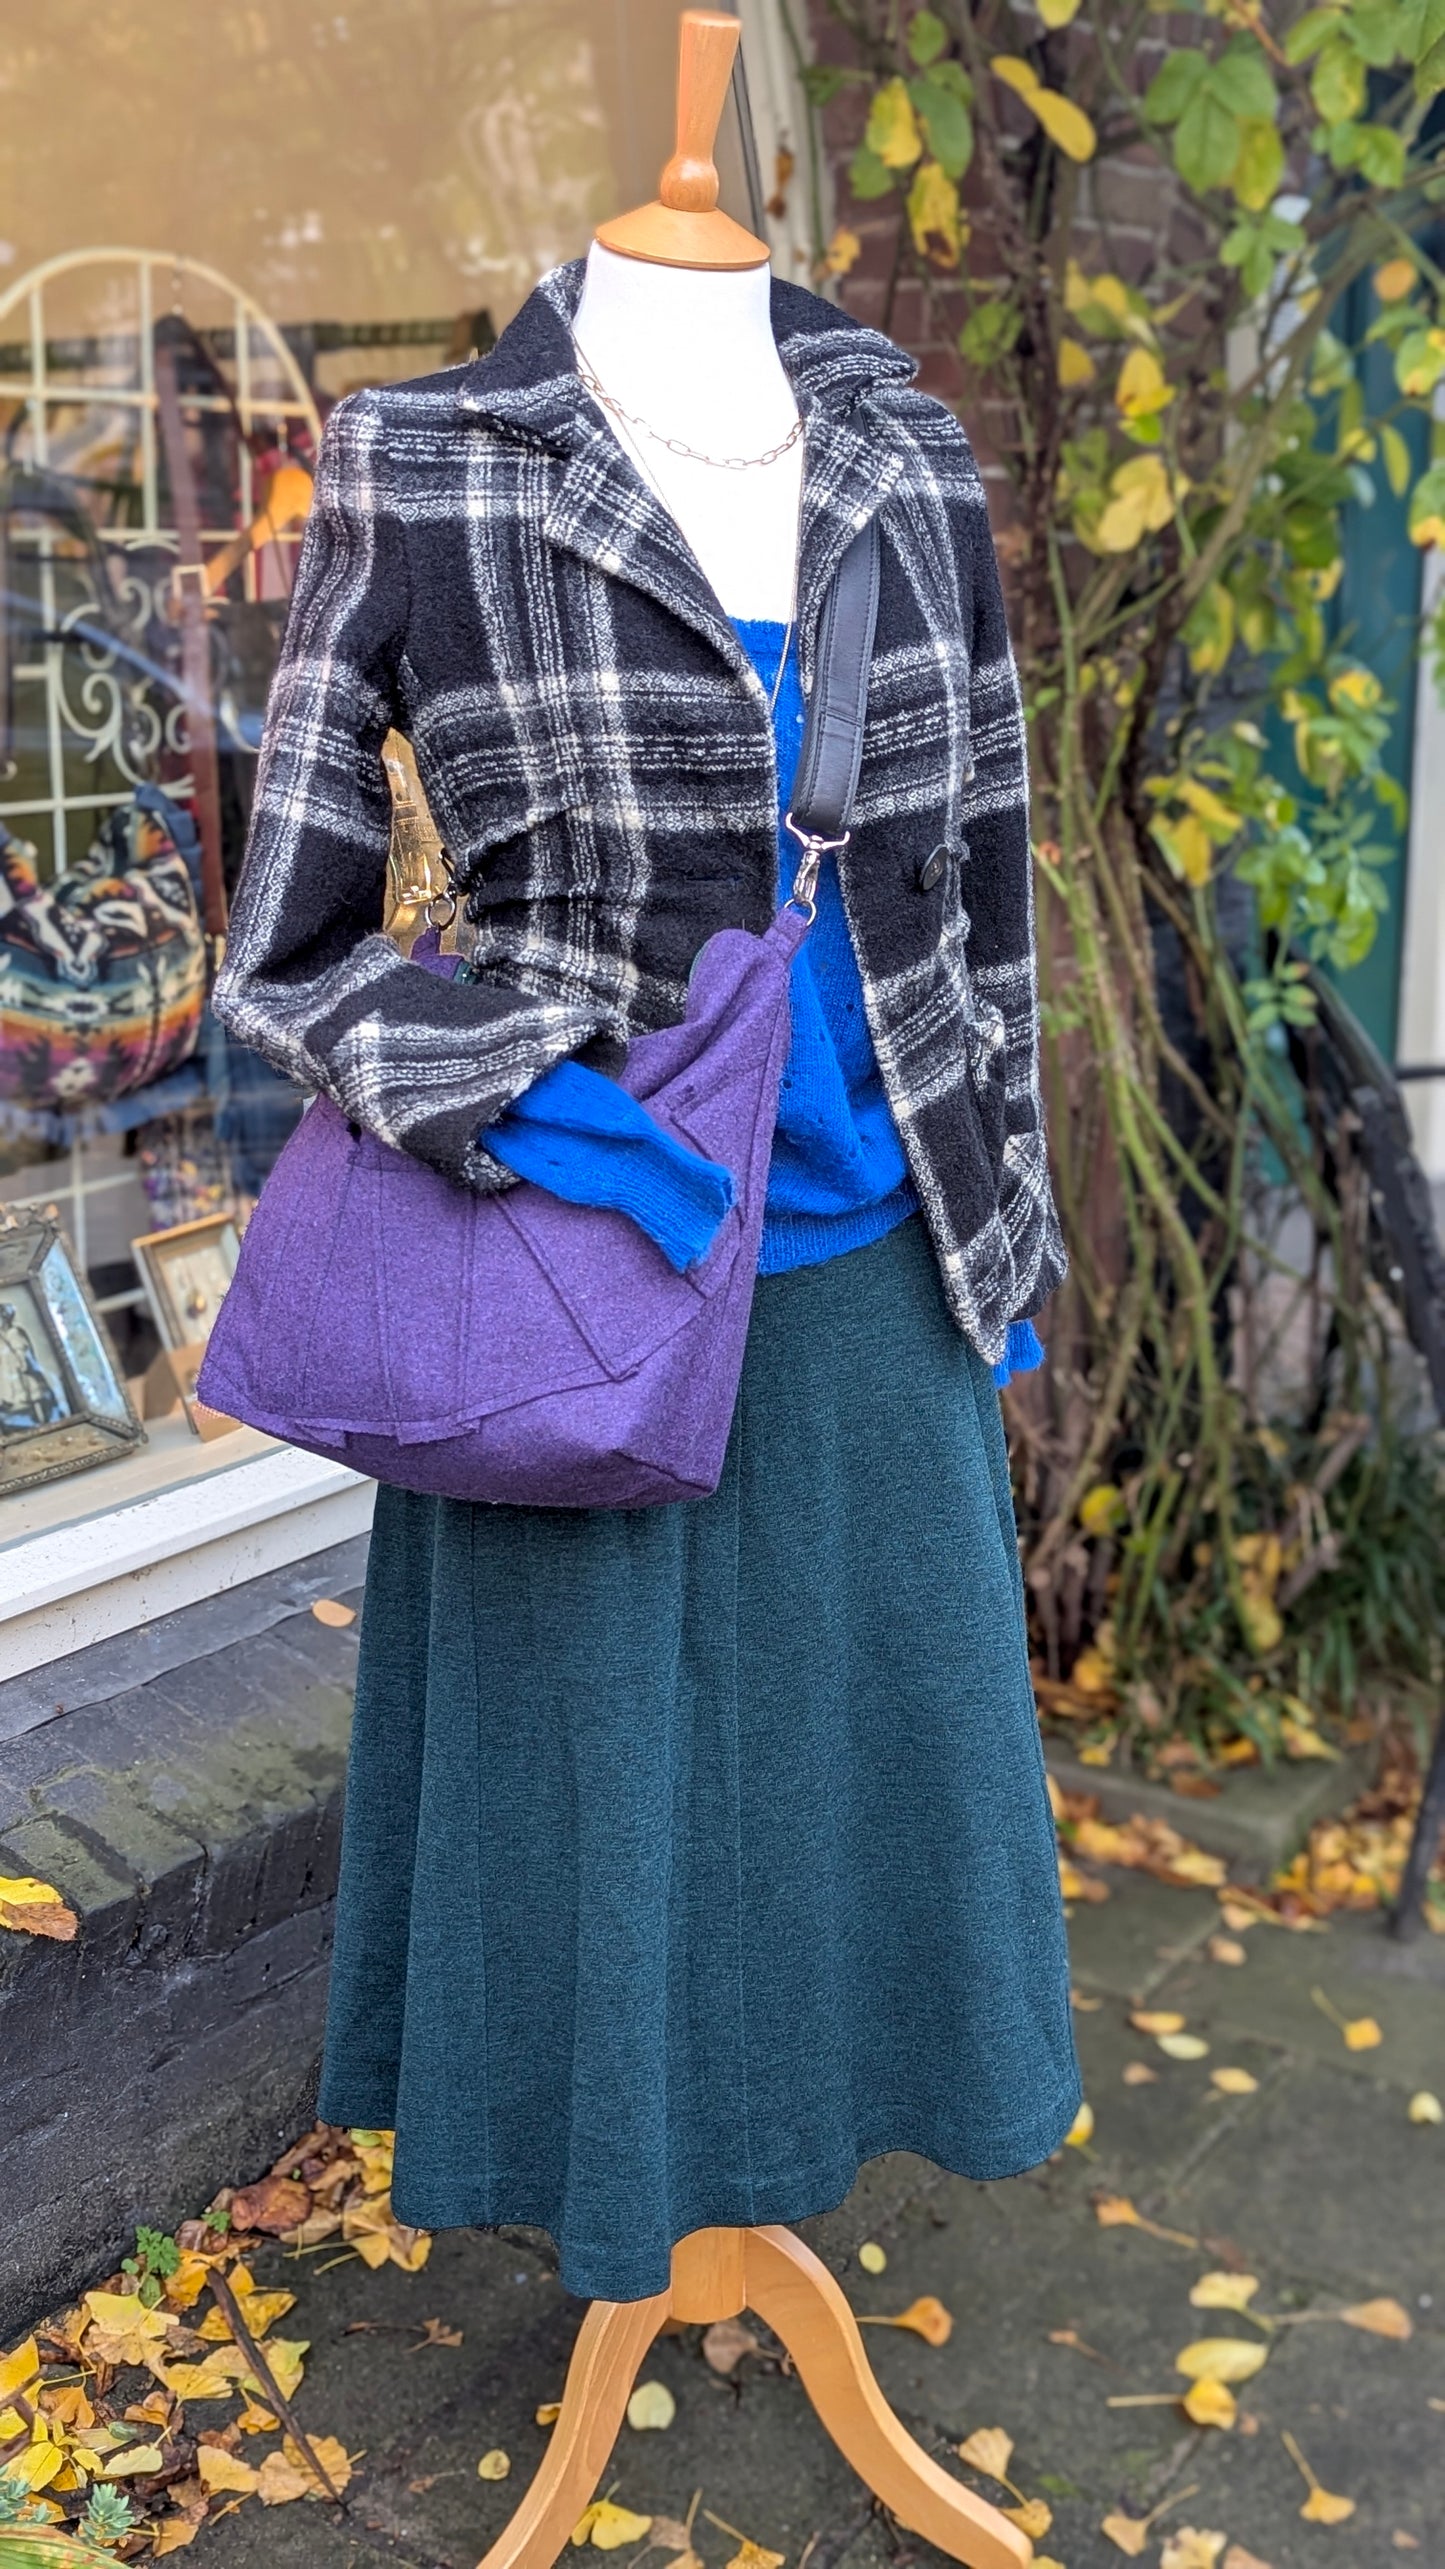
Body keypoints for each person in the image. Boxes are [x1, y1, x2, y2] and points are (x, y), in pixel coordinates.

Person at [211, 250, 1080, 2306]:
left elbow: (988, 902)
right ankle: (628, 2243)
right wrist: (555, 1122)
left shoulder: (906, 454)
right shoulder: (426, 461)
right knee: (599, 1850)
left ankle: (756, 2221)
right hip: (569, 1307)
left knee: (849, 1843)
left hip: (879, 1304)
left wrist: (1000, 1245)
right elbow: (289, 951)